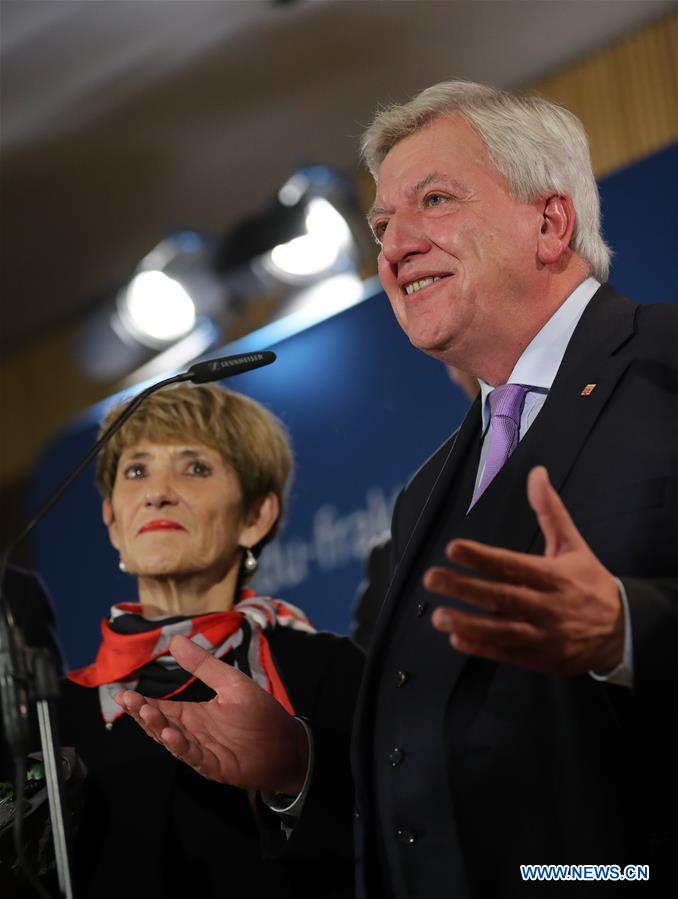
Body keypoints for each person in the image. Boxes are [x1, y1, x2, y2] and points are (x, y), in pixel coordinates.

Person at [117, 81, 677, 898]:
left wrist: (628, 630)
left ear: (550, 222)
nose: (394, 245)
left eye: (436, 201)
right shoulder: (424, 494)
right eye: (382, 224)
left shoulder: (669, 366)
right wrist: (295, 762)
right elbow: (435, 785)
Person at [59, 383, 363, 898]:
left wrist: (295, 768)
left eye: (195, 467)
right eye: (137, 470)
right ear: (112, 521)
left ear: (255, 517)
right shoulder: (56, 714)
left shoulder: (327, 669)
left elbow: (400, 840)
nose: (157, 492)